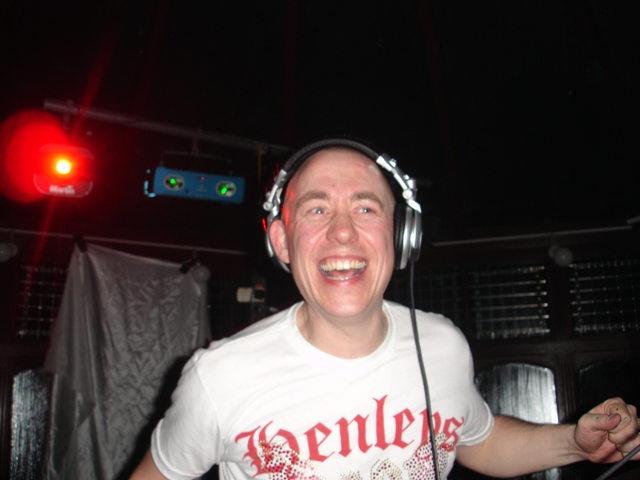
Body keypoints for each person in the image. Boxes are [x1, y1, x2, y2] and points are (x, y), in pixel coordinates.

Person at [131, 141, 640, 480]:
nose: (343, 231)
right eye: (317, 209)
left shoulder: (442, 345)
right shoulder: (219, 377)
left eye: (365, 208)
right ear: (282, 241)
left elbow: (478, 442)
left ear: (401, 237)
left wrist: (576, 444)